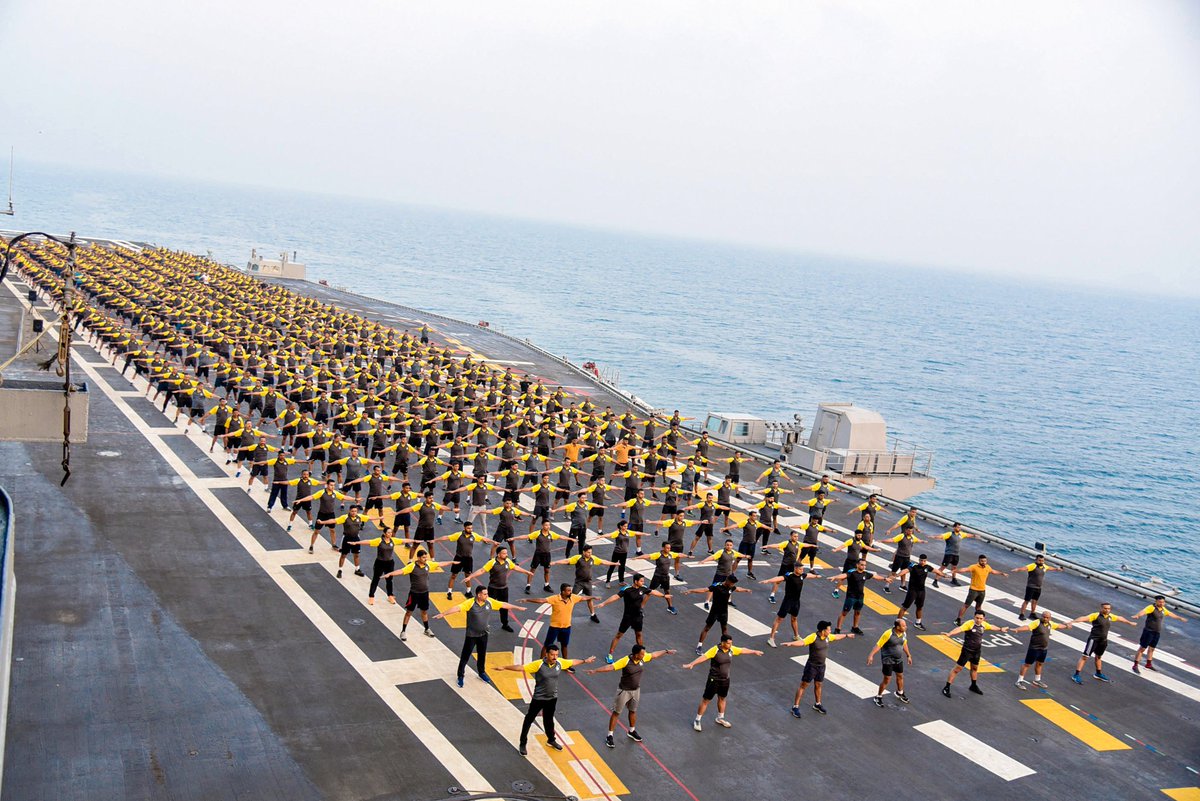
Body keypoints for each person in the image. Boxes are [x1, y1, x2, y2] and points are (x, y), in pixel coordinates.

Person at [498, 645, 596, 756]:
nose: (555, 657)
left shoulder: (559, 662)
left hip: (552, 698)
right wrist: (505, 667)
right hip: (539, 698)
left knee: (549, 720)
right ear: (547, 654)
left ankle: (551, 740)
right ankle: (523, 743)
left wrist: (585, 661)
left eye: (556, 655)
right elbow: (521, 667)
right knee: (529, 719)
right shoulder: (538, 664)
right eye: (552, 655)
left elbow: (572, 662)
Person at [585, 644, 676, 749]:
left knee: (633, 711)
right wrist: (595, 670)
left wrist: (666, 651)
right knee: (616, 713)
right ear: (636, 654)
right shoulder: (625, 661)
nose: (644, 655)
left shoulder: (642, 658)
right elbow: (610, 667)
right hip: (624, 691)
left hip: (636, 691)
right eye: (642, 654)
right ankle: (610, 736)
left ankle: (631, 731)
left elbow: (654, 655)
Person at [434, 585, 522, 687]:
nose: (487, 595)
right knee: (465, 656)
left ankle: (481, 673)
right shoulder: (470, 603)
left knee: (482, 655)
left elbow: (503, 604)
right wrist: (443, 614)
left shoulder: (489, 602)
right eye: (485, 594)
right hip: (471, 635)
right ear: (479, 595)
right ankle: (460, 676)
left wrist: (517, 607)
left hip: (484, 634)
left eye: (487, 594)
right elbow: (457, 608)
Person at [682, 635, 764, 731]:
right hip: (714, 680)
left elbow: (742, 650)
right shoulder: (715, 650)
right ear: (723, 643)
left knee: (722, 698)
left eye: (731, 643)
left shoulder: (731, 649)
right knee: (706, 700)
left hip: (725, 680)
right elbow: (704, 657)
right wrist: (691, 664)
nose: (730, 645)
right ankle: (697, 720)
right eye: (728, 643)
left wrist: (754, 651)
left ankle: (720, 718)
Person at [781, 621, 854, 717]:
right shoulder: (813, 637)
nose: (830, 631)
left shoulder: (827, 637)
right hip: (812, 666)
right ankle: (795, 707)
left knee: (818, 685)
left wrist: (847, 635)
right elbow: (803, 642)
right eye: (829, 630)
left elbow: (836, 637)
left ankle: (817, 704)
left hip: (821, 666)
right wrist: (791, 644)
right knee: (803, 685)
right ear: (823, 631)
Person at [598, 574, 670, 663]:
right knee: (619, 635)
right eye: (641, 581)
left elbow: (652, 592)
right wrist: (604, 603)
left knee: (639, 634)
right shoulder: (627, 589)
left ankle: (641, 653)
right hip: (628, 617)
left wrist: (664, 596)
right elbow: (615, 597)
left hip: (638, 616)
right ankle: (610, 655)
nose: (643, 582)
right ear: (636, 581)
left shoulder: (643, 588)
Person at [384, 548, 453, 640]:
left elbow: (440, 564)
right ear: (418, 558)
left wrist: (452, 562)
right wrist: (390, 574)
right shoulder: (412, 566)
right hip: (414, 594)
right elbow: (401, 571)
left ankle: (427, 629)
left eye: (426, 557)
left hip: (424, 593)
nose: (426, 559)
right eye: (424, 557)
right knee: (409, 612)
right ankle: (403, 631)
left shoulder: (428, 564)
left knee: (424, 611)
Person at [521, 583, 595, 665]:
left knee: (564, 645)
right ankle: (541, 664)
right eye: (568, 591)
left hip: (566, 627)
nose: (570, 592)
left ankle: (566, 664)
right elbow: (542, 600)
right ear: (563, 592)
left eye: (570, 590)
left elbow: (583, 598)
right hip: (554, 627)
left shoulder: (573, 597)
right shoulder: (555, 598)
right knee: (547, 645)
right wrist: (527, 600)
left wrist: (593, 597)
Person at [465, 546, 534, 632]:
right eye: (504, 553)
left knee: (504, 607)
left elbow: (515, 567)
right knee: (486, 607)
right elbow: (482, 570)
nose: (506, 555)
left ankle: (505, 624)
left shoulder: (507, 561)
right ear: (498, 554)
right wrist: (470, 577)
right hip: (493, 589)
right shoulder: (492, 562)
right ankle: (482, 625)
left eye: (506, 553)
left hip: (504, 589)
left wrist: (526, 572)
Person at [941, 611, 1007, 697]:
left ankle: (973, 685)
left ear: (983, 619)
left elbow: (991, 626)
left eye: (980, 618)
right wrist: (950, 633)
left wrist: (1000, 629)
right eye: (977, 618)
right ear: (974, 617)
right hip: (967, 651)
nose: (978, 620)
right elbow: (959, 629)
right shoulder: (969, 624)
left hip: (976, 651)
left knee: (974, 668)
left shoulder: (984, 624)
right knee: (957, 669)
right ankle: (947, 687)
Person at [1069, 602, 1136, 684]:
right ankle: (1076, 675)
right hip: (1093, 640)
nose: (1107, 610)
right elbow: (1084, 618)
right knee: (1085, 657)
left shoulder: (1110, 616)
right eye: (1105, 608)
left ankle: (1098, 673)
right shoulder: (1096, 615)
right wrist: (1072, 622)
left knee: (1098, 657)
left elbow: (1120, 618)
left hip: (1103, 641)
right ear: (1101, 608)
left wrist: (1130, 623)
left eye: (1109, 609)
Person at [684, 575, 753, 654]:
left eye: (733, 584)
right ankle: (699, 646)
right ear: (727, 580)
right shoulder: (717, 586)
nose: (732, 585)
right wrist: (691, 590)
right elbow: (704, 590)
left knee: (724, 630)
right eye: (731, 583)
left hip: (724, 612)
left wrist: (746, 590)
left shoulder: (731, 587)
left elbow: (738, 589)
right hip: (715, 611)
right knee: (707, 628)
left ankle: (725, 646)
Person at [552, 545, 617, 622]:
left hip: (588, 583)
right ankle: (563, 613)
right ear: (584, 552)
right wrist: (555, 562)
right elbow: (567, 561)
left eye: (591, 552)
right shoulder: (578, 558)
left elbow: (603, 561)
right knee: (571, 598)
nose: (590, 554)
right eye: (588, 552)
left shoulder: (593, 558)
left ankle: (593, 615)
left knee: (589, 599)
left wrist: (614, 563)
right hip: (579, 583)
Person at [826, 559, 891, 635]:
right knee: (844, 613)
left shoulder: (865, 574)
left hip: (860, 597)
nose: (863, 566)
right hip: (851, 596)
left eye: (865, 565)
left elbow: (875, 576)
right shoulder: (852, 573)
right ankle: (838, 628)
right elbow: (844, 575)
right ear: (857, 565)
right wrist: (835, 577)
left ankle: (855, 627)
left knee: (857, 612)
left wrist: (885, 579)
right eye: (862, 565)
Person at [760, 564, 816, 647]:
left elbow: (808, 575)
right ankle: (771, 639)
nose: (802, 571)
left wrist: (816, 576)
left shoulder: (802, 575)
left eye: (803, 569)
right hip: (787, 602)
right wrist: (768, 581)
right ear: (795, 569)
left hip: (796, 602)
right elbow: (779, 578)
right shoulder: (789, 576)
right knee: (779, 619)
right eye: (800, 569)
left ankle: (796, 636)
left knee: (794, 618)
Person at [1131, 595, 1189, 673]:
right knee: (1142, 649)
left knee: (1152, 649)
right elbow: (1143, 611)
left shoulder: (1163, 609)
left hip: (1157, 632)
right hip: (1148, 632)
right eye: (1160, 602)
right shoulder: (1151, 607)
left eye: (1163, 602)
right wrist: (1137, 615)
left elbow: (1170, 614)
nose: (1162, 603)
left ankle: (1148, 664)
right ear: (1156, 601)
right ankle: (1135, 665)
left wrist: (1180, 618)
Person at [1014, 611, 1072, 689]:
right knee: (1027, 664)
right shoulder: (1037, 622)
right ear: (1041, 616)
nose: (1045, 619)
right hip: (1034, 648)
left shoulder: (1050, 624)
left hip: (1043, 649)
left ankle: (1037, 680)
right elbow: (1027, 627)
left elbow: (1059, 626)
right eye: (1044, 617)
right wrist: (1017, 629)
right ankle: (1019, 681)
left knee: (1040, 664)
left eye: (1047, 617)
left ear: (1050, 618)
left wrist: (1067, 626)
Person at [347, 525, 399, 605]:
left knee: (389, 580)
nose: (390, 534)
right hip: (380, 563)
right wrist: (356, 543)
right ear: (384, 533)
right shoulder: (379, 541)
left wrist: (414, 540)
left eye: (391, 532)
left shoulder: (393, 540)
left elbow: (404, 540)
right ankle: (371, 596)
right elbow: (368, 542)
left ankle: (390, 595)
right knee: (375, 579)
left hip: (390, 563)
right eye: (388, 532)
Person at [867, 619, 913, 706]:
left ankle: (900, 692)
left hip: (898, 659)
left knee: (900, 676)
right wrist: (871, 655)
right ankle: (878, 696)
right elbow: (878, 645)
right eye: (903, 626)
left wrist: (908, 655)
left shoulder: (903, 633)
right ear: (898, 627)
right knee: (887, 679)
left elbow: (904, 643)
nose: (906, 627)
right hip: (888, 660)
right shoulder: (888, 634)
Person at [894, 555, 945, 631]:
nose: (923, 562)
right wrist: (897, 575)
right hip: (912, 590)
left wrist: (944, 575)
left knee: (919, 607)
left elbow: (937, 571)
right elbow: (905, 571)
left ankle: (918, 623)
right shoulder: (914, 566)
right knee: (905, 607)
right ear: (919, 560)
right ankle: (897, 624)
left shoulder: (927, 567)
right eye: (921, 560)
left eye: (924, 561)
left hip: (921, 590)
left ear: (926, 561)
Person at [955, 555, 1008, 625]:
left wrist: (1002, 573)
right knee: (966, 605)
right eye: (982, 561)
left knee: (978, 606)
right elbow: (965, 569)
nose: (983, 562)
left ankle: (980, 620)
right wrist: (956, 571)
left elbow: (993, 571)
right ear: (979, 561)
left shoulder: (987, 567)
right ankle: (958, 619)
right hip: (973, 590)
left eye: (985, 561)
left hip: (982, 591)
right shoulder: (974, 567)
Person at [1017, 554, 1064, 620]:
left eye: (1042, 560)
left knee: (1035, 601)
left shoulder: (1044, 566)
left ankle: (1032, 613)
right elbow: (1024, 568)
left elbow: (1049, 568)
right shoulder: (1033, 565)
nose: (1041, 562)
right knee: (1026, 601)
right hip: (1031, 587)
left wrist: (1057, 569)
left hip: (1038, 587)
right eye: (1039, 560)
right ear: (1036, 560)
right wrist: (1018, 569)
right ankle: (1021, 614)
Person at [931, 522, 974, 587]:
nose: (959, 528)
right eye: (958, 527)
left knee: (954, 567)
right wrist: (934, 537)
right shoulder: (949, 534)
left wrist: (974, 535)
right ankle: (935, 581)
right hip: (949, 554)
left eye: (960, 527)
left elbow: (967, 535)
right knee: (943, 567)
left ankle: (953, 580)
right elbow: (941, 536)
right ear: (954, 527)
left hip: (956, 554)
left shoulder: (961, 534)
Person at [643, 543, 680, 615]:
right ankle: (640, 608)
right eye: (667, 548)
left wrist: (688, 556)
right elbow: (647, 556)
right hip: (657, 577)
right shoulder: (658, 555)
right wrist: (637, 558)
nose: (669, 549)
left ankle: (670, 607)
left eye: (669, 548)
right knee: (649, 592)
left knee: (667, 591)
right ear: (663, 548)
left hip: (665, 577)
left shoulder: (670, 554)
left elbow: (679, 555)